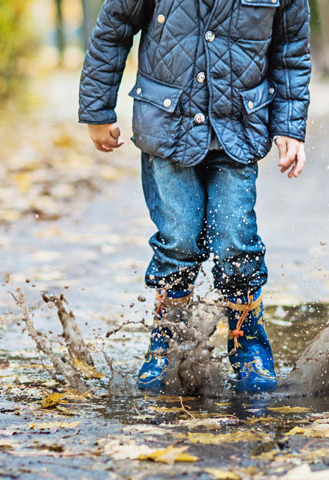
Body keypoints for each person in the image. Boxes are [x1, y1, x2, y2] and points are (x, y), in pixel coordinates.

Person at [78, 0, 311, 393]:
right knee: (179, 241)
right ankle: (168, 339)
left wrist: (290, 127)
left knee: (236, 242)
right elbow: (114, 28)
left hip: (238, 130)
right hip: (167, 126)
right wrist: (97, 110)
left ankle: (247, 341)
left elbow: (290, 51)